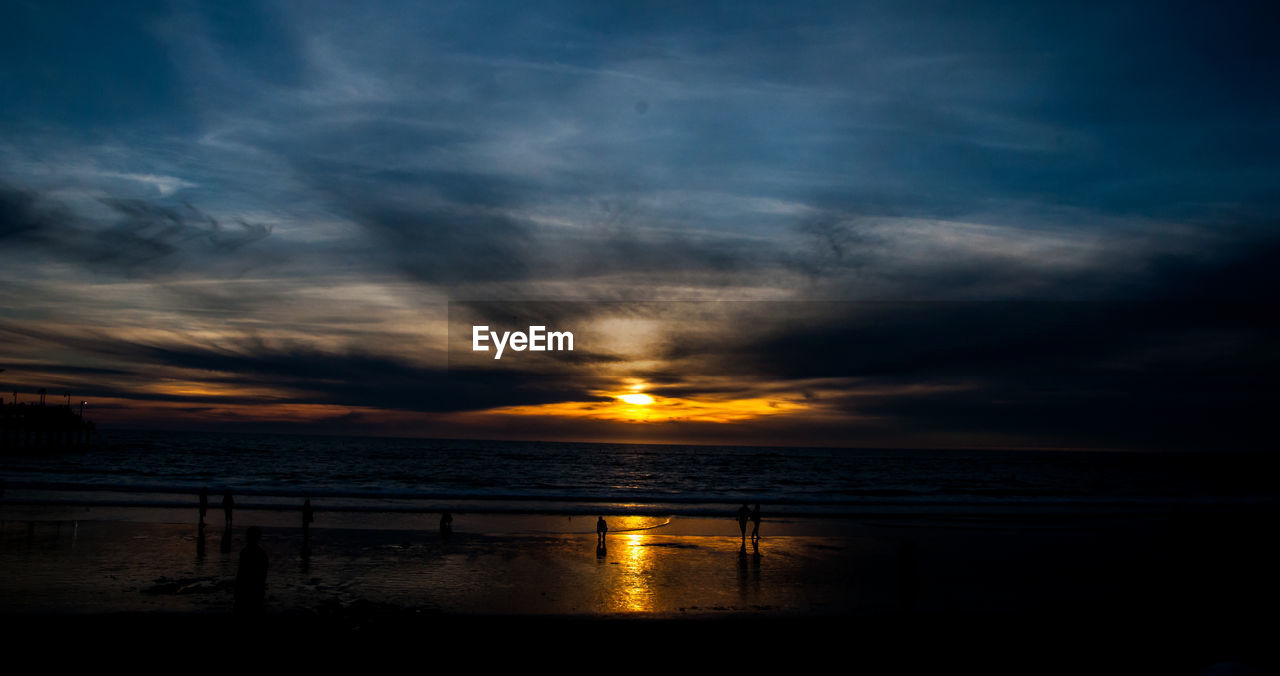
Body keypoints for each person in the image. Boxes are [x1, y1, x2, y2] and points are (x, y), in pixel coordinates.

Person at [234, 526, 268, 617]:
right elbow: (263, 575)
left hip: (249, 589)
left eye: (248, 536)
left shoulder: (247, 552)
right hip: (252, 590)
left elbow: (240, 573)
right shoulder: (260, 553)